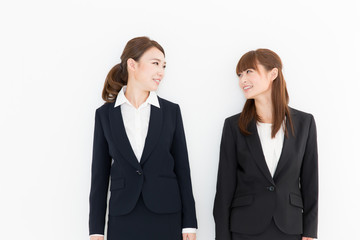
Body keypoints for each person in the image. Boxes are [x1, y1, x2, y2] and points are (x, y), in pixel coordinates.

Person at [89, 36, 197, 240]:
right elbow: (99, 176)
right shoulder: (105, 115)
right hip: (123, 216)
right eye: (155, 63)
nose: (161, 72)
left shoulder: (171, 111)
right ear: (132, 64)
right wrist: (96, 230)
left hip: (166, 214)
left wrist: (189, 224)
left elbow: (183, 169)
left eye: (164, 66)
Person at [213, 49, 318, 240]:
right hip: (244, 228)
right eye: (240, 74)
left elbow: (310, 182)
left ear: (273, 74)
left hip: (290, 227)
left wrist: (310, 232)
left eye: (249, 71)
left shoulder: (305, 123)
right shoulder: (233, 126)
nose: (242, 80)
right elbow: (224, 188)